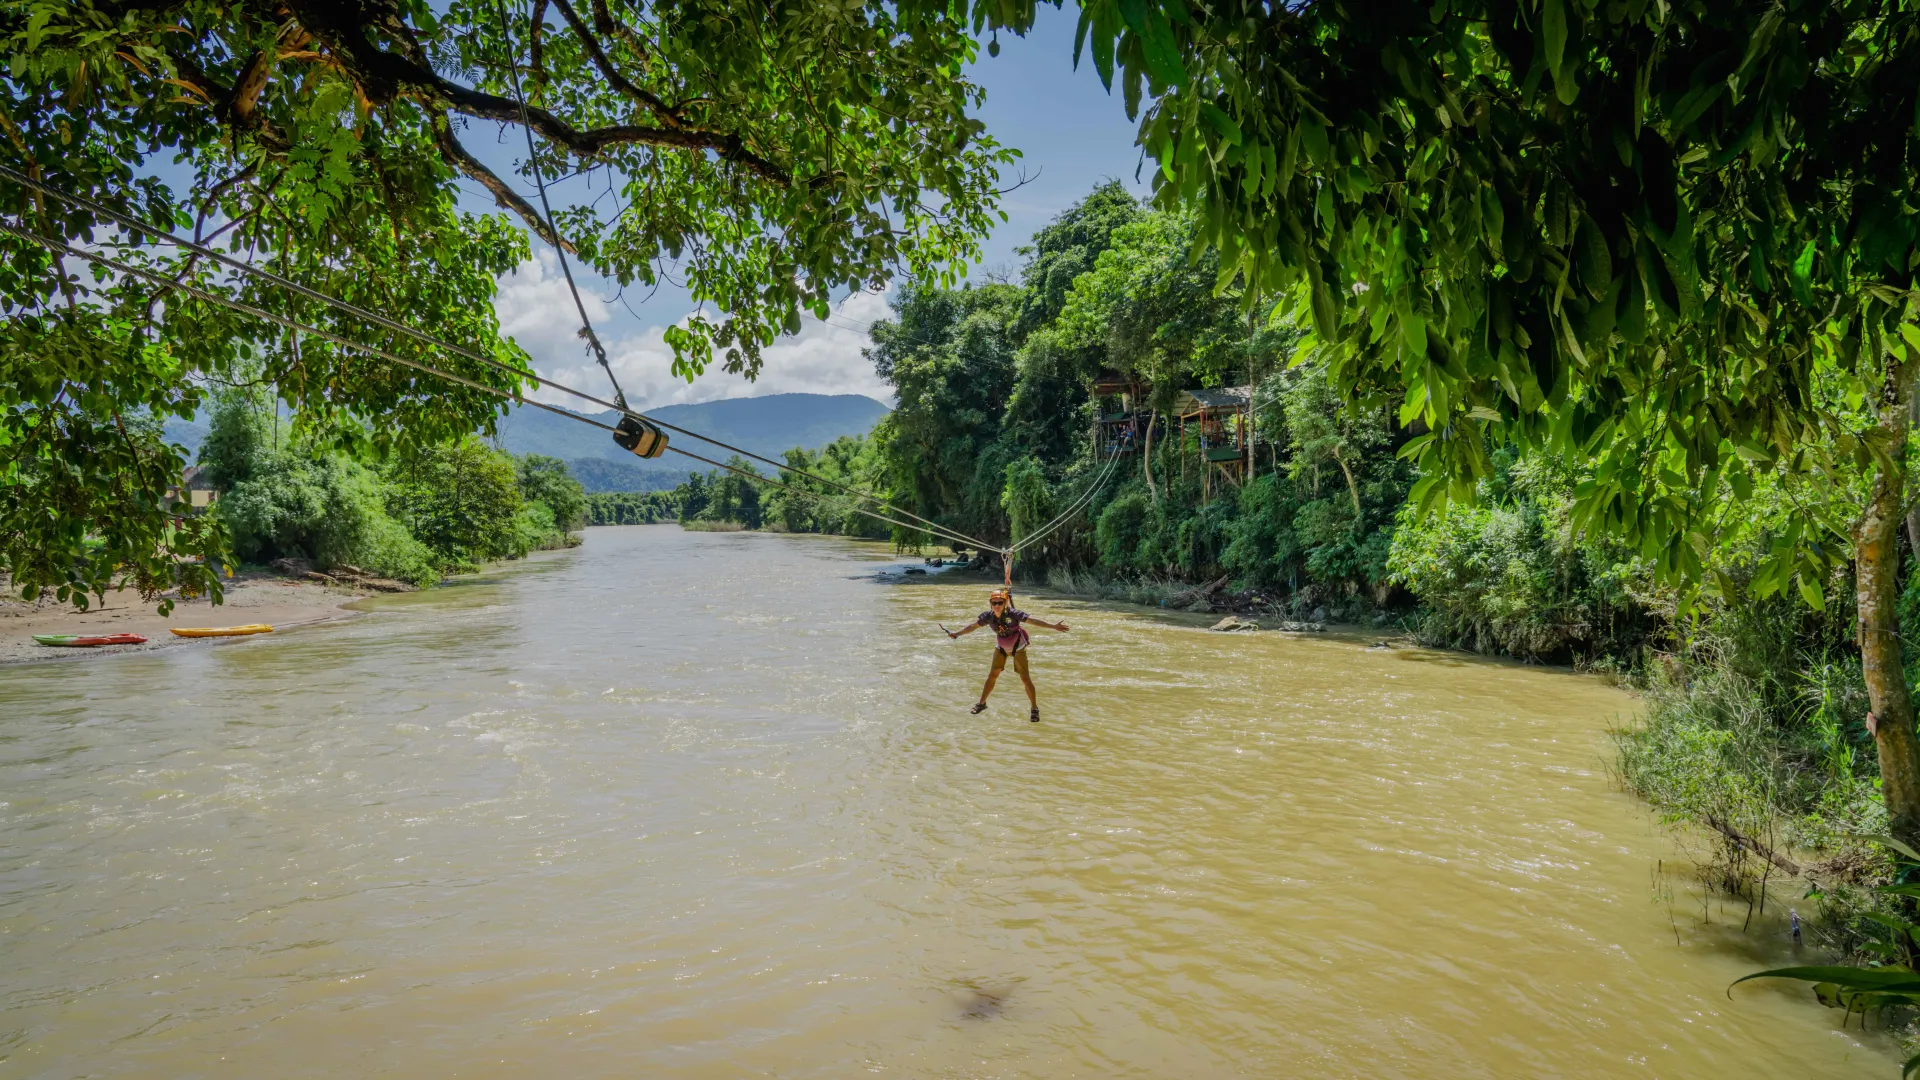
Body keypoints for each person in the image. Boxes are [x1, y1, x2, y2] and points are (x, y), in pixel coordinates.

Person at [947, 589, 1069, 721]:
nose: (997, 605)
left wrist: (1053, 626)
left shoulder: (1014, 614)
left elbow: (1033, 621)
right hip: (1001, 647)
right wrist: (957, 634)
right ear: (990, 603)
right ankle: (982, 703)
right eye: (994, 603)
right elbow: (973, 626)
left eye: (1000, 603)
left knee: (1025, 678)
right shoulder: (988, 616)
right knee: (992, 675)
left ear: (1005, 603)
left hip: (1018, 648)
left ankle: (1034, 708)